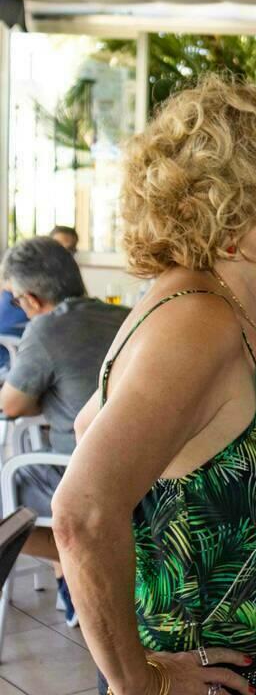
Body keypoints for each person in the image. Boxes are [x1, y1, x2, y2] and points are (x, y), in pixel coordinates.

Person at [51, 76, 256, 695]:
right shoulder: (199, 320)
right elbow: (82, 510)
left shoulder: (203, 306)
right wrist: (139, 681)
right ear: (229, 204)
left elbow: (89, 424)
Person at [0, 236, 126, 626]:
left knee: (10, 503)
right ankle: (72, 583)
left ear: (30, 299)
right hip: (144, 472)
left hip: (79, 473)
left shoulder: (46, 328)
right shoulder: (125, 315)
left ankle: (77, 581)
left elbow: (11, 405)